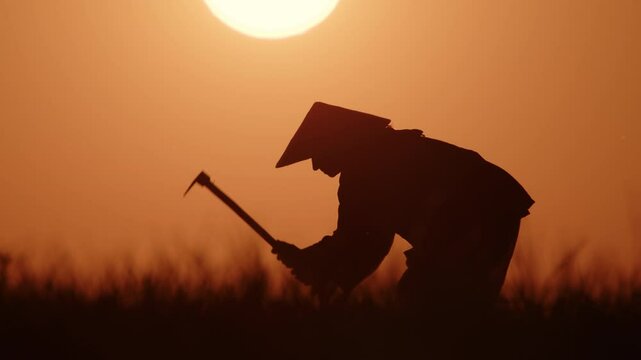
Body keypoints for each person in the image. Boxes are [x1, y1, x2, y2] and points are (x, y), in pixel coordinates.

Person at [271, 102, 534, 311]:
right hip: (490, 206)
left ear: (335, 143)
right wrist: (316, 264)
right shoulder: (379, 154)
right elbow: (364, 240)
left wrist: (313, 263)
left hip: (476, 212)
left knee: (425, 298)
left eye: (317, 154)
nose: (316, 165)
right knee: (458, 301)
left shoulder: (366, 168)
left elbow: (362, 241)